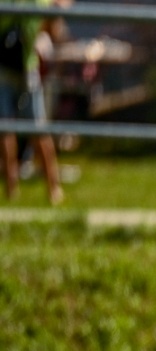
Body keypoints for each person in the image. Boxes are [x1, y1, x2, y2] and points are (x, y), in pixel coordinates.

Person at [0, 0, 64, 206]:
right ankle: (53, 189)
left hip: (12, 68)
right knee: (36, 129)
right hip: (26, 67)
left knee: (8, 128)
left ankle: (12, 189)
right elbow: (55, 28)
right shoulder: (39, 1)